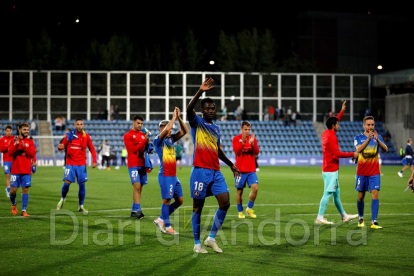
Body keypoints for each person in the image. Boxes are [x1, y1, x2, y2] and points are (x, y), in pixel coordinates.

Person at [187, 77, 241, 254]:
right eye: (207, 108)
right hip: (200, 171)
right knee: (198, 207)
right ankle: (197, 243)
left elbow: (217, 150)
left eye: (213, 108)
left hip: (215, 171)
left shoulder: (216, 128)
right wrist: (200, 91)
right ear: (202, 110)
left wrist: (231, 164)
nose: (210, 110)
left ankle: (211, 238)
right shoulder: (197, 123)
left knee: (225, 203)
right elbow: (189, 109)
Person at [315, 100, 359, 225]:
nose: (339, 125)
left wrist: (342, 111)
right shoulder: (332, 137)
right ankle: (319, 217)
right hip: (331, 170)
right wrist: (353, 154)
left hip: (327, 168)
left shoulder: (326, 133)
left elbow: (334, 120)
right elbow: (337, 154)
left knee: (336, 194)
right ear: (334, 126)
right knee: (328, 193)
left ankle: (344, 216)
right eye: (337, 124)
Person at [153, 107, 188, 235]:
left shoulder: (171, 139)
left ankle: (161, 219)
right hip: (165, 174)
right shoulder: (158, 141)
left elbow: (185, 130)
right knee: (166, 201)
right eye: (168, 128)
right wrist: (173, 117)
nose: (170, 130)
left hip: (173, 175)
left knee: (179, 200)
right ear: (161, 129)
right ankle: (168, 227)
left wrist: (179, 118)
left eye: (171, 128)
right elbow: (168, 128)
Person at [56, 119, 97, 214]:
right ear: (75, 125)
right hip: (70, 163)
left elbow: (92, 149)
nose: (79, 126)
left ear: (83, 125)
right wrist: (60, 147)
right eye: (77, 124)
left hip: (81, 164)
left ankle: (81, 206)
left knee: (82, 185)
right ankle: (63, 198)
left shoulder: (86, 136)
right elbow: (62, 145)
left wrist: (94, 161)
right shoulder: (70, 135)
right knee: (66, 184)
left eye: (81, 124)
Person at [354, 116, 388, 229]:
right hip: (362, 172)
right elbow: (358, 150)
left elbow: (386, 149)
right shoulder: (358, 137)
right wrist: (368, 139)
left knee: (375, 193)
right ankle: (361, 218)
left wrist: (378, 140)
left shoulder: (378, 137)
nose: (370, 127)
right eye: (368, 125)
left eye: (372, 125)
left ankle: (374, 221)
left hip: (374, 172)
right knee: (361, 195)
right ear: (364, 125)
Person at [123, 115, 150, 219]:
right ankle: (138, 211)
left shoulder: (142, 136)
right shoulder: (127, 135)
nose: (140, 125)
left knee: (140, 189)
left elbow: (143, 149)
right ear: (133, 123)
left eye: (142, 124)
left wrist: (147, 144)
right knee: (137, 187)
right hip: (133, 165)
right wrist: (144, 140)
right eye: (138, 123)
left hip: (142, 164)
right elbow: (132, 149)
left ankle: (133, 210)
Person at [232, 121, 260, 219]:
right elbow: (237, 151)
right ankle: (240, 211)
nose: (247, 131)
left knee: (255, 188)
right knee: (239, 191)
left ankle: (249, 208)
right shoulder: (236, 139)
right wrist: (243, 143)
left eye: (249, 129)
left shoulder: (253, 139)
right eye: (245, 129)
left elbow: (256, 153)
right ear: (241, 129)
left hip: (251, 170)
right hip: (239, 171)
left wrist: (253, 144)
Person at [8, 123, 36, 217]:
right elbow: (10, 153)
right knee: (13, 191)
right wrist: (16, 145)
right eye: (24, 129)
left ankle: (24, 210)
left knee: (25, 190)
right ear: (19, 130)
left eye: (27, 129)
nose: (26, 131)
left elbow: (32, 153)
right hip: (15, 170)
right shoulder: (13, 140)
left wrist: (24, 147)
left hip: (26, 170)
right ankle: (13, 204)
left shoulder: (30, 141)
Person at [0, 125, 14, 197]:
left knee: (13, 176)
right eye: (7, 131)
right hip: (6, 160)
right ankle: (8, 189)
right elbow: (1, 149)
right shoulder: (2, 139)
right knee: (7, 175)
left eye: (10, 131)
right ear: (5, 131)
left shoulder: (14, 138)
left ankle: (12, 189)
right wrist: (7, 146)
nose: (9, 132)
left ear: (12, 131)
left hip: (13, 160)